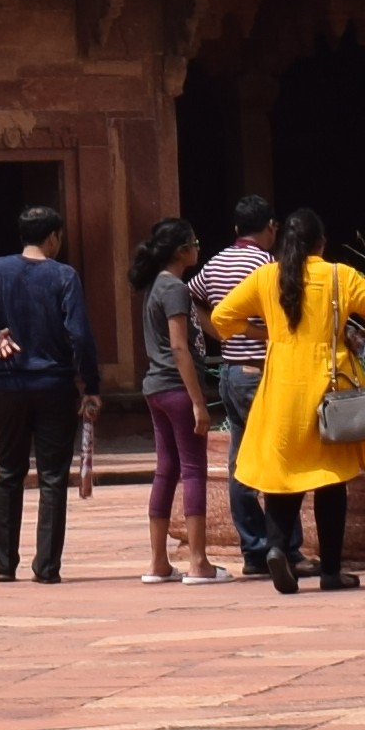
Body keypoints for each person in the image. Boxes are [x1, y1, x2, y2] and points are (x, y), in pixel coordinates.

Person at [202, 198, 365, 592]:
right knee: (331, 480)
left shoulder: (266, 278)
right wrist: (350, 334)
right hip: (328, 392)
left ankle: (277, 548)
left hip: (280, 390)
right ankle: (330, 571)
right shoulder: (338, 277)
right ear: (321, 243)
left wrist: (268, 335)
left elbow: (223, 318)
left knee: (284, 477)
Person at [0, 204, 92, 582]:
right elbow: (79, 334)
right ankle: (46, 567)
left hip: (9, 382)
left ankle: (3, 564)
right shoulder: (64, 276)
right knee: (52, 477)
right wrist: (90, 385)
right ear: (54, 237)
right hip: (54, 384)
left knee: (9, 471)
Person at [196, 196, 283, 586]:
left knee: (240, 461)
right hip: (261, 370)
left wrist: (219, 330)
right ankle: (284, 546)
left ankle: (253, 549)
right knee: (278, 458)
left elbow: (189, 294)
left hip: (230, 371)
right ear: (270, 228)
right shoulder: (266, 264)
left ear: (235, 230)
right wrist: (255, 331)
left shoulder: (215, 262)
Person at [129, 218, 216, 585]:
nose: (199, 247)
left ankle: (158, 562)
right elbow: (179, 346)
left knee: (166, 470)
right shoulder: (175, 289)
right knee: (193, 469)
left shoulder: (153, 286)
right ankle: (198, 562)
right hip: (177, 388)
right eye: (195, 242)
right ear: (181, 250)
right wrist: (198, 401)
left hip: (154, 387)